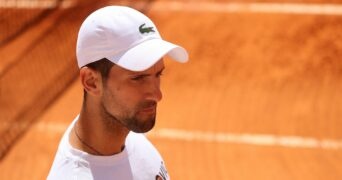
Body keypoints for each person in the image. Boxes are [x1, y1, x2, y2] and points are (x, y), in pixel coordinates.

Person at [47, 5, 188, 180]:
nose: (157, 95)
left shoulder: (126, 130)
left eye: (158, 74)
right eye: (138, 78)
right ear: (91, 82)